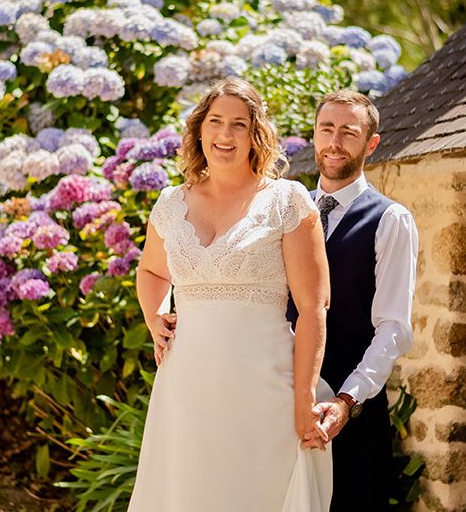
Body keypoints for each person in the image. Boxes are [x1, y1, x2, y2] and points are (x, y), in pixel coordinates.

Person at [129, 77, 334, 512]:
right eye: (216, 122)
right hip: (185, 389)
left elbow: (315, 308)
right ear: (200, 130)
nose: (225, 135)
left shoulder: (286, 200)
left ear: (255, 134)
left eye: (239, 125)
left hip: (264, 391)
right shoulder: (169, 203)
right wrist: (155, 318)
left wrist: (304, 399)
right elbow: (150, 270)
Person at [290, 89, 418, 512]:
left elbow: (393, 329)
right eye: (327, 129)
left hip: (351, 417)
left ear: (371, 143)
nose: (334, 142)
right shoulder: (290, 212)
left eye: (349, 132)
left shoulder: (390, 219)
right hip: (285, 405)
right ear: (314, 135)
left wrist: (347, 402)